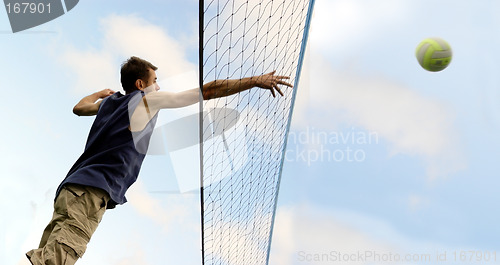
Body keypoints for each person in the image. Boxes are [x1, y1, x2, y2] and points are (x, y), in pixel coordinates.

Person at [26, 56, 292, 265]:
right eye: (155, 80)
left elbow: (79, 108)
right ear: (141, 84)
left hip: (71, 190)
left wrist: (100, 93)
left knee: (48, 256)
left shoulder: (110, 104)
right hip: (91, 191)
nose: (159, 86)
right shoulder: (146, 100)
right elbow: (208, 91)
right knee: (58, 258)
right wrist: (254, 80)